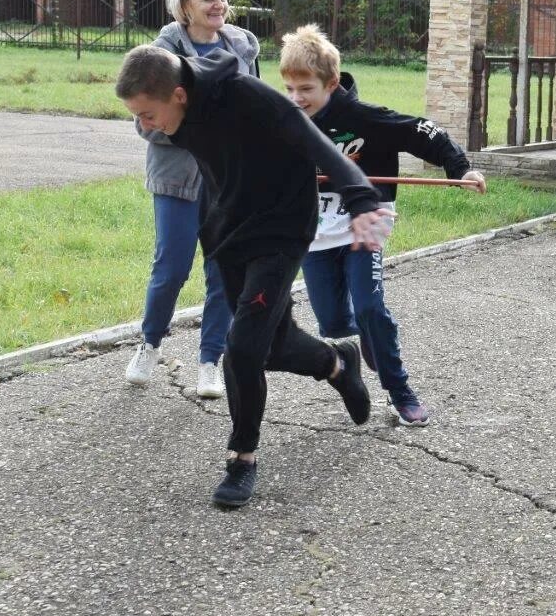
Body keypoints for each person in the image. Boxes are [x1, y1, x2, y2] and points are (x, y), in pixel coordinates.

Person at [115, 43, 393, 508]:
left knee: (241, 347)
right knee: (271, 345)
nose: (143, 126)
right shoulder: (175, 105)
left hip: (282, 229)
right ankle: (337, 364)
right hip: (227, 229)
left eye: (146, 114)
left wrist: (361, 198)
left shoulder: (245, 95)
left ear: (179, 95)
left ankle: (242, 458)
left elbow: (315, 143)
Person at [279, 24, 487, 426]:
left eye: (305, 89)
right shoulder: (287, 122)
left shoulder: (364, 118)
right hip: (314, 235)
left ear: (331, 83)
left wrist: (460, 169)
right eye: (289, 88)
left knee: (372, 309)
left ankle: (399, 389)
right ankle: (368, 343)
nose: (296, 98)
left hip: (365, 227)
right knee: (335, 324)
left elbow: (427, 132)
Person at [124, 0, 260, 399]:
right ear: (185, 6)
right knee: (172, 267)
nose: (218, 5)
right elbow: (147, 125)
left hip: (226, 180)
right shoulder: (161, 54)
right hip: (176, 178)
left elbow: (256, 108)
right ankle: (149, 344)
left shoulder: (240, 46)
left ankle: (209, 361)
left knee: (222, 269)